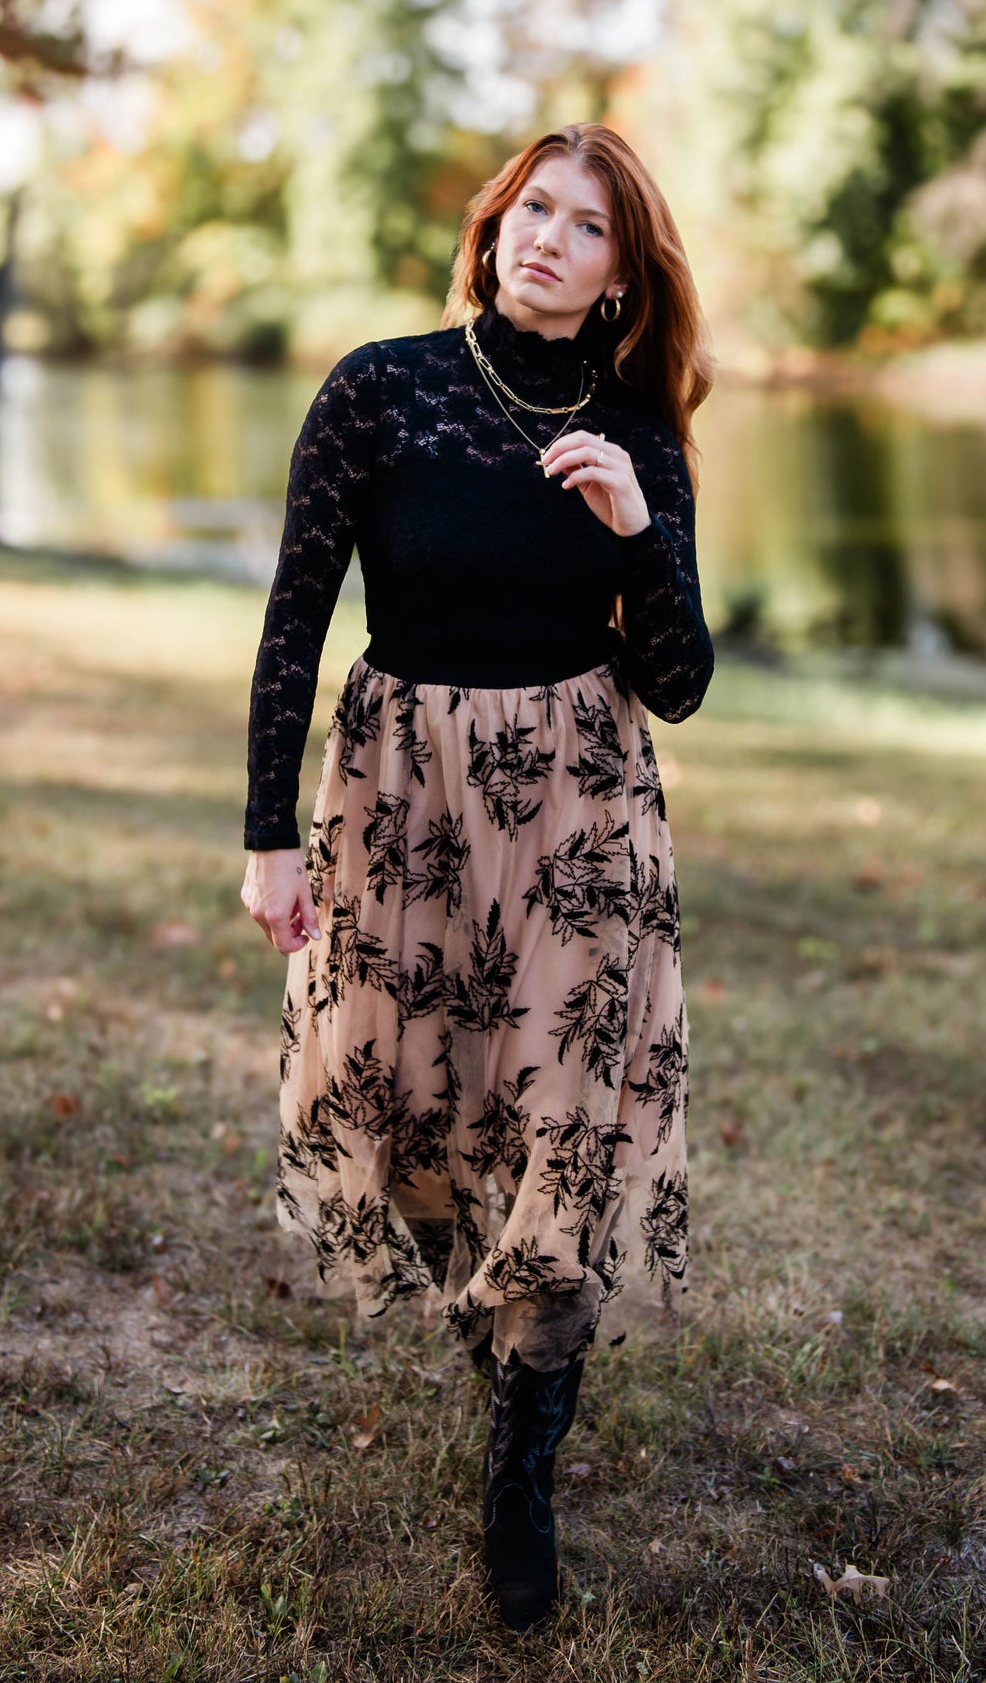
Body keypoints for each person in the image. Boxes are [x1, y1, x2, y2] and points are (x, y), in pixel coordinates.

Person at [241, 123, 715, 1633]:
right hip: (403, 804)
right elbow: (294, 619)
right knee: (433, 1111)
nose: (548, 237)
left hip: (580, 812)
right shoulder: (380, 386)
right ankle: (499, 1334)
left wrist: (639, 537)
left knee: (563, 1120)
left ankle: (521, 1463)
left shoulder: (638, 433)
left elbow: (680, 679)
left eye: (586, 226)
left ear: (623, 275)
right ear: (494, 224)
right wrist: (267, 835)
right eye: (532, 209)